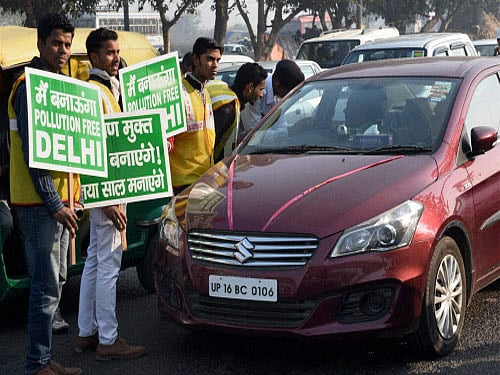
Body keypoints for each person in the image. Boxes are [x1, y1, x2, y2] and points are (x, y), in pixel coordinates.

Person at [8, 13, 82, 375]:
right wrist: (56, 204)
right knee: (44, 289)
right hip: (39, 205)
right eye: (56, 43)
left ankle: (45, 360)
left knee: (52, 287)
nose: (63, 50)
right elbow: (34, 154)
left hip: (56, 205)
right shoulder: (28, 86)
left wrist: (73, 197)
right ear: (40, 45)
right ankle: (37, 364)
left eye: (68, 44)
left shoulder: (59, 84)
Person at [75, 27, 146, 362]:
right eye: (108, 53)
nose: (116, 58)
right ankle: (108, 338)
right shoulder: (94, 91)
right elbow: (88, 151)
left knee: (94, 261)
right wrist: (108, 200)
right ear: (93, 57)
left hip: (110, 190)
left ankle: (87, 333)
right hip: (108, 192)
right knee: (108, 264)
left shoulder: (108, 89)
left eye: (117, 52)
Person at [170, 37, 222, 195]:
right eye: (210, 59)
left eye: (218, 60)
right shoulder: (178, 92)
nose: (215, 65)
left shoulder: (204, 91)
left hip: (203, 180)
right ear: (195, 60)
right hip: (183, 183)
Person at [207, 62, 267, 162]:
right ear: (250, 87)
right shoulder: (229, 108)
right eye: (260, 89)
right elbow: (211, 145)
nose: (261, 95)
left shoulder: (220, 85)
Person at [240, 59, 305, 131]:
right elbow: (254, 133)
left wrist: (296, 128)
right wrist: (290, 131)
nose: (290, 96)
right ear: (279, 86)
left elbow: (280, 125)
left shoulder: (276, 93)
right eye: (290, 92)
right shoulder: (255, 92)